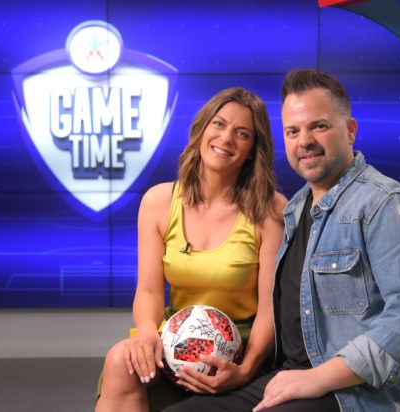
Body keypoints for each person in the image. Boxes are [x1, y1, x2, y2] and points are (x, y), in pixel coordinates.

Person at [163, 69, 400, 412]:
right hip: (290, 376)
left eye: (319, 126)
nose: (304, 140)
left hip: (364, 393)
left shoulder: (387, 205)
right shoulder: (294, 210)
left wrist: (318, 378)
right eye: (293, 131)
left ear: (350, 130)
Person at [95, 87, 287, 412]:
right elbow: (149, 290)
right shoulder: (158, 202)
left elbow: (271, 309)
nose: (226, 138)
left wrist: (244, 370)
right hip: (176, 338)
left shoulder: (271, 210)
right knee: (120, 361)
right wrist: (147, 333)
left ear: (253, 150)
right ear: (201, 130)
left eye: (242, 133)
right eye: (219, 124)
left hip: (240, 349)